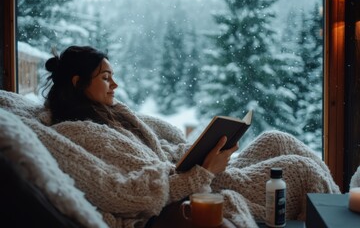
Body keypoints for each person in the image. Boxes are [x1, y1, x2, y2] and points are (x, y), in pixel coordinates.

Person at [43, 45, 340, 228]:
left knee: (278, 139)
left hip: (193, 171)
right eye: (105, 77)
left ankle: (335, 209)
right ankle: (338, 218)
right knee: (301, 171)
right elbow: (125, 193)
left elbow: (156, 153)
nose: (115, 84)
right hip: (192, 188)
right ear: (77, 82)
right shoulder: (76, 133)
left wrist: (201, 149)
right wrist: (203, 170)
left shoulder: (112, 116)